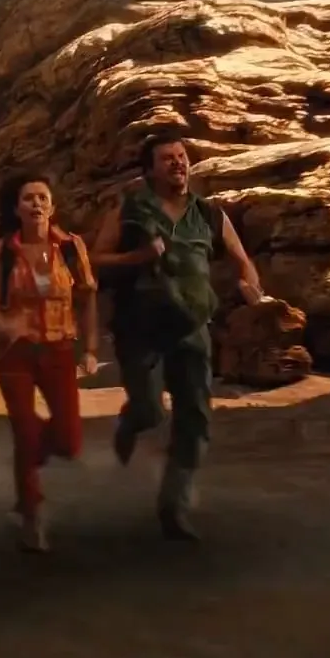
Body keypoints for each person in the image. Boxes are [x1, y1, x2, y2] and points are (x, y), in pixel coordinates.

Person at [90, 133, 262, 541]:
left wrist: (251, 286)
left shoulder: (209, 213)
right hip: (140, 329)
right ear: (149, 170)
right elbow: (94, 259)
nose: (178, 163)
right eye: (167, 158)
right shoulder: (129, 209)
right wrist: (137, 257)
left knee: (196, 418)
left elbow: (242, 260)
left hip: (192, 328)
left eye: (182, 157)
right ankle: (132, 420)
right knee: (151, 410)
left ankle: (174, 506)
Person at [0, 171, 98, 553]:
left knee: (69, 441)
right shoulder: (3, 251)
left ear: (53, 206)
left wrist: (90, 348)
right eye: (28, 198)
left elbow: (88, 298)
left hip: (59, 350)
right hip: (16, 353)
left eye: (42, 197)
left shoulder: (71, 247)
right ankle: (31, 515)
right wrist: (6, 326)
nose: (36, 204)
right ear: (17, 208)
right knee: (24, 430)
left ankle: (28, 459)